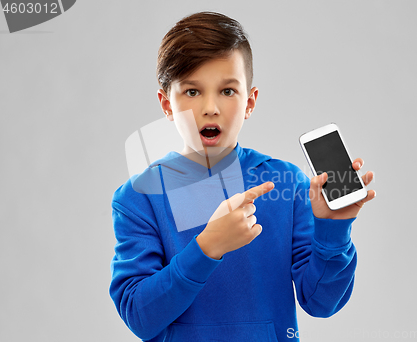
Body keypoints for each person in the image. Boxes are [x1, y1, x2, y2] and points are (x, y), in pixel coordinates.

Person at [109, 11, 375, 342]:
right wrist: (207, 247)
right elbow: (140, 316)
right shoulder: (138, 197)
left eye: (228, 91)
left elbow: (322, 302)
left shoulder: (287, 183)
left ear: (250, 102)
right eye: (192, 92)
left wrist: (333, 229)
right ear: (166, 103)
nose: (210, 107)